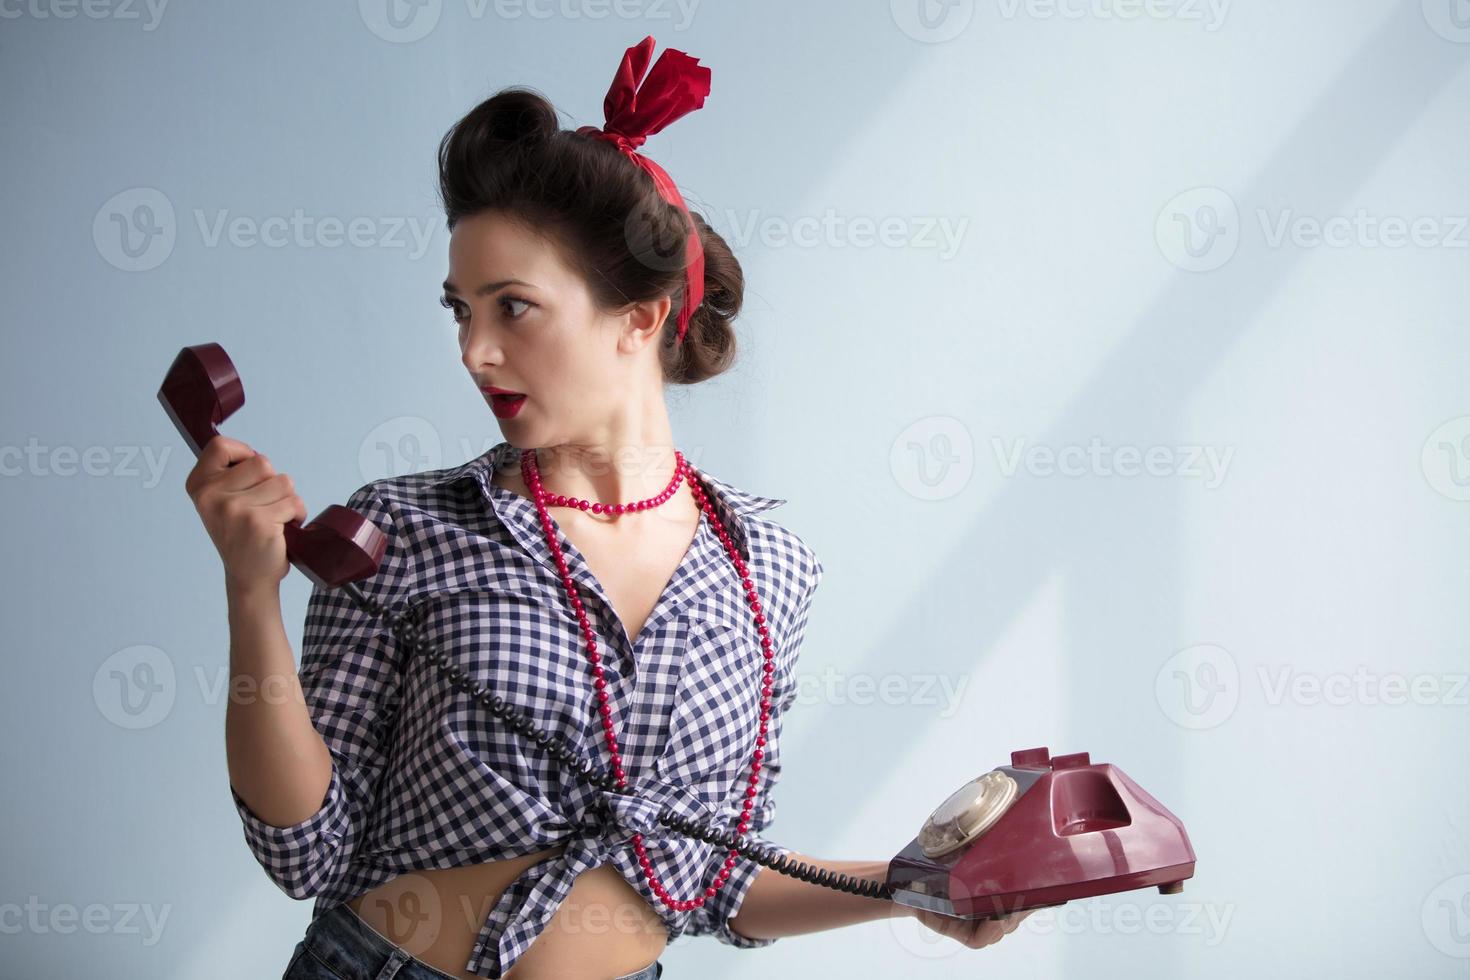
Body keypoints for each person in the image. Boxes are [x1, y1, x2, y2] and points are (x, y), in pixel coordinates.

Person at [184, 36, 1029, 980]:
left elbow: (715, 883)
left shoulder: (768, 574)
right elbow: (308, 853)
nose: (474, 351)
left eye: (512, 307)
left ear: (641, 316)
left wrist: (915, 883)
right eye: (459, 310)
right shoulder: (404, 530)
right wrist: (251, 594)